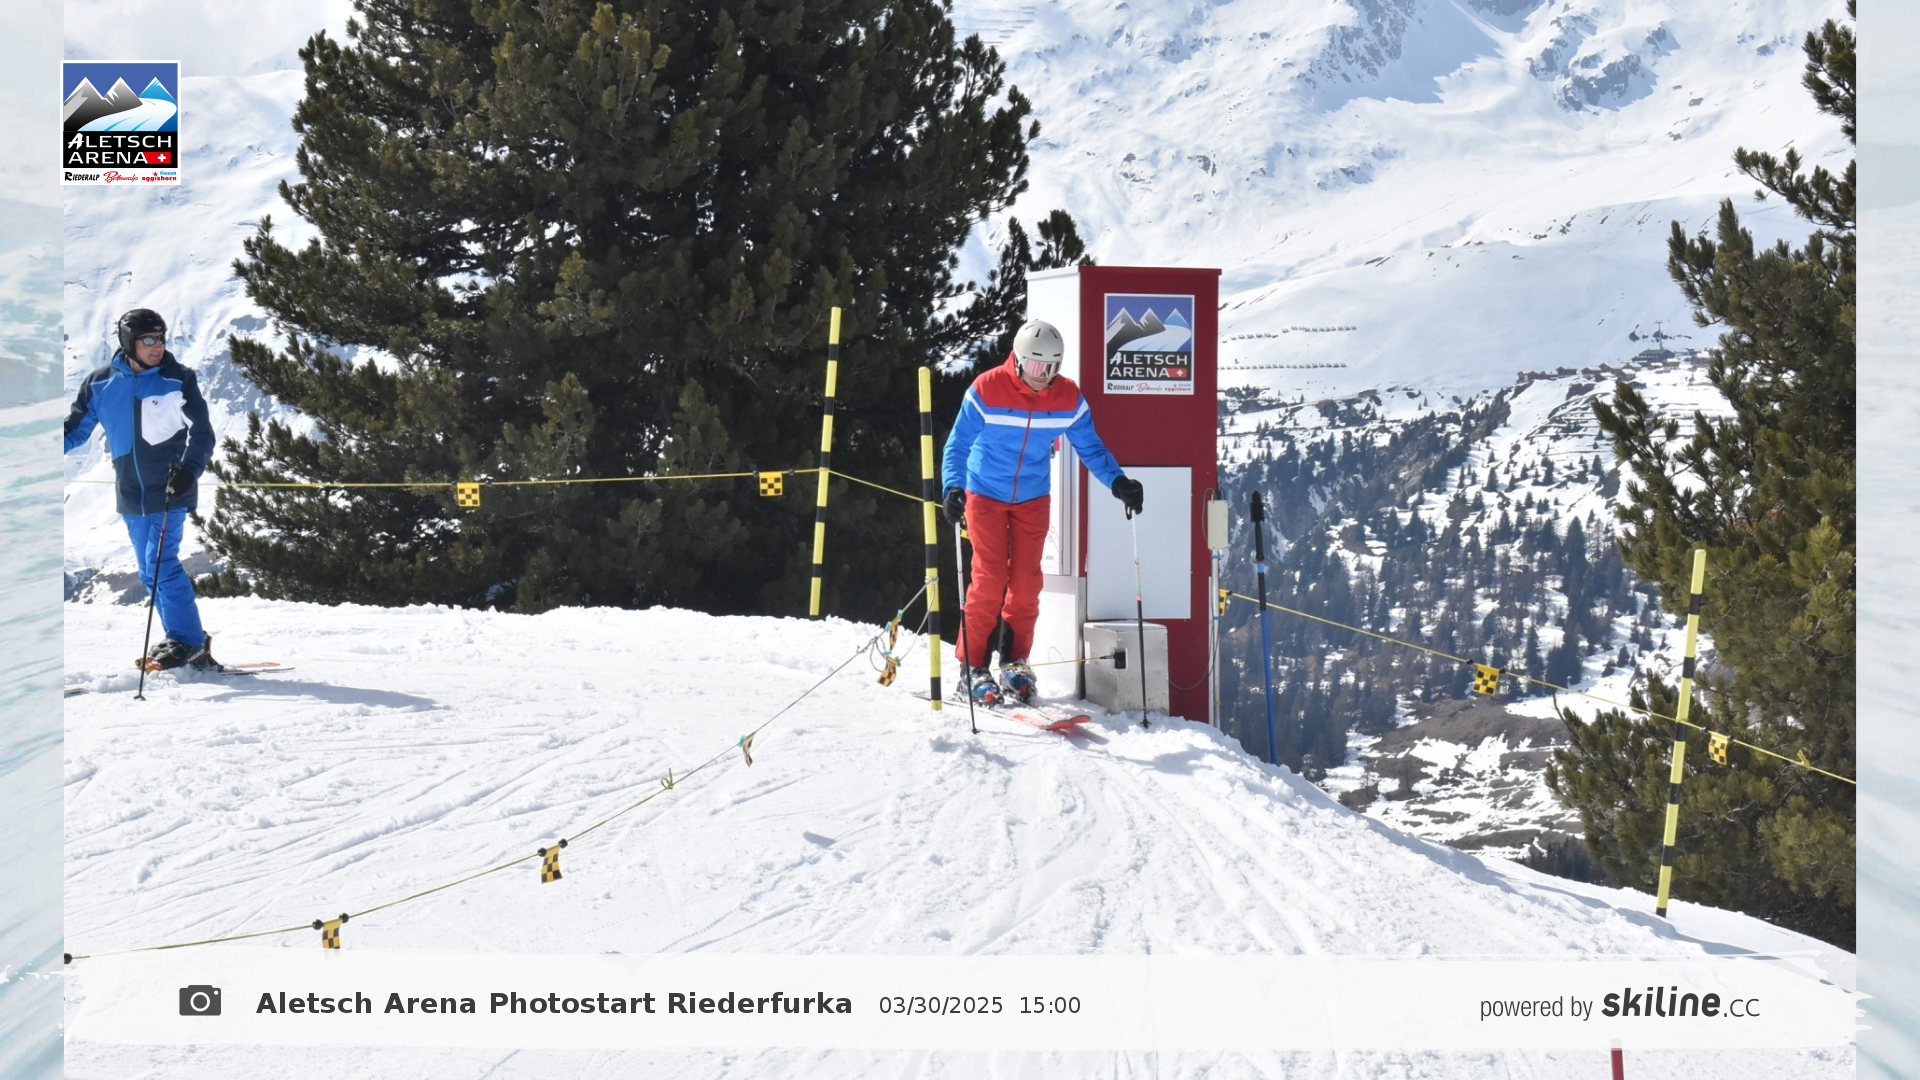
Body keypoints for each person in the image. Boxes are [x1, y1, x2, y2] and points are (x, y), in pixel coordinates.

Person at [941, 319, 1144, 705]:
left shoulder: (1067, 397)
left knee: (1027, 582)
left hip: (1033, 496)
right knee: (989, 578)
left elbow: (1091, 447)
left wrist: (1118, 482)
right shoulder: (986, 388)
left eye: (1051, 367)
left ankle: (1015, 662)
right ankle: (972, 667)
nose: (1042, 375)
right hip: (984, 492)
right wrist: (953, 487)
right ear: (1018, 360)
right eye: (1036, 365)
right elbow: (958, 444)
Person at [64, 308, 217, 670]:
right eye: (149, 339)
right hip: (131, 494)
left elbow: (203, 433)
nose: (157, 346)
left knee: (162, 564)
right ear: (128, 342)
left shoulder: (178, 379)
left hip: (171, 489)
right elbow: (74, 432)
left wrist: (190, 470)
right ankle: (180, 637)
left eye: (161, 338)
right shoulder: (99, 384)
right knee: (149, 572)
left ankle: (189, 641)